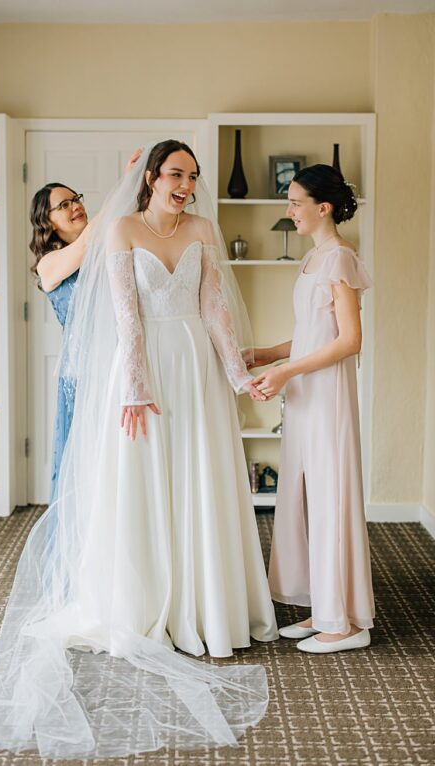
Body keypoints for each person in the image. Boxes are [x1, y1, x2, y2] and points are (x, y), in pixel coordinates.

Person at [0, 140, 279, 759]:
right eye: (175, 172)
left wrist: (235, 374)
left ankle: (207, 604)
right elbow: (126, 316)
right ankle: (141, 602)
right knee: (132, 484)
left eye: (192, 176)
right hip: (135, 374)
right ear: (152, 177)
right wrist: (136, 387)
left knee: (199, 478)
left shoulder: (200, 228)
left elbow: (215, 306)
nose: (186, 183)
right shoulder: (116, 231)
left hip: (193, 365)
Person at [249, 163, 375, 654]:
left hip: (326, 395)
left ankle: (344, 622)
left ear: (322, 208)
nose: (289, 210)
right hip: (304, 392)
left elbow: (349, 340)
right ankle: (322, 606)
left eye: (295, 202)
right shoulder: (313, 259)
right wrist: (266, 355)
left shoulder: (340, 257)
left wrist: (285, 371)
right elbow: (309, 333)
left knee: (329, 497)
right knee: (303, 496)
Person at [30, 149, 142, 502]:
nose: (75, 205)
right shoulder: (48, 265)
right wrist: (124, 183)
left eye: (76, 199)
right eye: (64, 205)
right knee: (85, 457)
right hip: (80, 374)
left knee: (120, 458)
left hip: (116, 365)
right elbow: (89, 240)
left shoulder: (106, 249)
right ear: (47, 221)